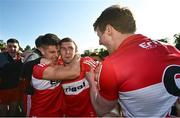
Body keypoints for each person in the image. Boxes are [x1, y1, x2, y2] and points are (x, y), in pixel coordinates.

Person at [85, 5, 180, 117]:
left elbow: (101, 110)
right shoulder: (172, 49)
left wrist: (91, 82)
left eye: (99, 36)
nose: (100, 42)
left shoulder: (112, 64)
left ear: (109, 30)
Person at [20, 33, 63, 116]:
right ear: (41, 50)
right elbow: (22, 78)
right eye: (52, 52)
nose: (57, 55)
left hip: (55, 107)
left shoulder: (60, 62)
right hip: (35, 102)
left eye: (58, 51)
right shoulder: (30, 65)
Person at [0, 38, 24, 116]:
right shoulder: (2, 56)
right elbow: (7, 67)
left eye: (14, 46)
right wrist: (23, 60)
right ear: (7, 47)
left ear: (18, 47)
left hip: (16, 88)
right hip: (3, 89)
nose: (12, 49)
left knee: (13, 110)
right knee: (3, 111)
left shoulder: (21, 57)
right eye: (10, 46)